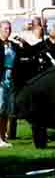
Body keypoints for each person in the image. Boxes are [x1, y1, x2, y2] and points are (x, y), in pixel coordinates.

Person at [0, 20, 18, 148]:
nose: (8, 31)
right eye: (5, 29)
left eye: (9, 28)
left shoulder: (12, 45)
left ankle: (3, 136)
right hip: (1, 77)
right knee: (0, 107)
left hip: (10, 77)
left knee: (6, 109)